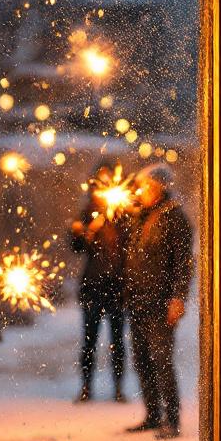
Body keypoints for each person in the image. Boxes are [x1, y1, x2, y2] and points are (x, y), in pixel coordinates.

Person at [122, 163, 193, 439]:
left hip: (161, 303)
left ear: (160, 187)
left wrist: (178, 297)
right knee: (141, 360)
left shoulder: (175, 218)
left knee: (162, 360)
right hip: (138, 300)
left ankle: (172, 420)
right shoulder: (142, 215)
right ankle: (152, 415)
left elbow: (183, 263)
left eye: (147, 187)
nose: (142, 191)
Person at [69, 161, 130, 403]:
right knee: (89, 341)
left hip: (117, 287)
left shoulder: (124, 215)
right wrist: (81, 233)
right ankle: (86, 386)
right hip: (92, 287)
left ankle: (118, 388)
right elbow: (76, 248)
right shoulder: (87, 213)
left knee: (117, 342)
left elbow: (131, 248)